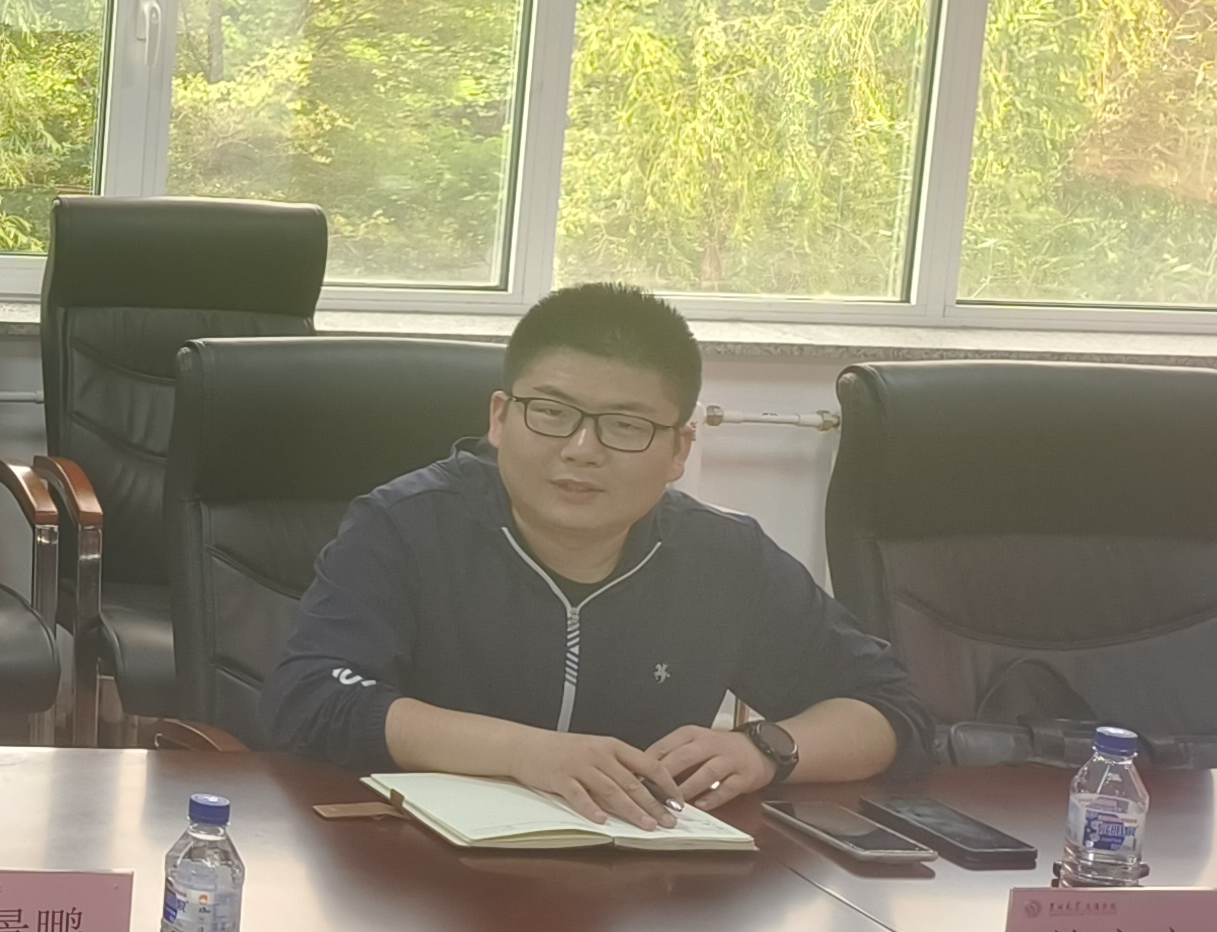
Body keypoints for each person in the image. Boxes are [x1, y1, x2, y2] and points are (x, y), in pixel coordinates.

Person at [263, 282, 927, 827]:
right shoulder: (407, 526)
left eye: (625, 426)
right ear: (499, 418)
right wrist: (524, 753)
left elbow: (890, 710)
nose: (582, 449)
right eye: (551, 412)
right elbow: (309, 698)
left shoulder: (722, 559)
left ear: (678, 450)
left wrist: (765, 750)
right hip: (410, 872)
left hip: (639, 886)